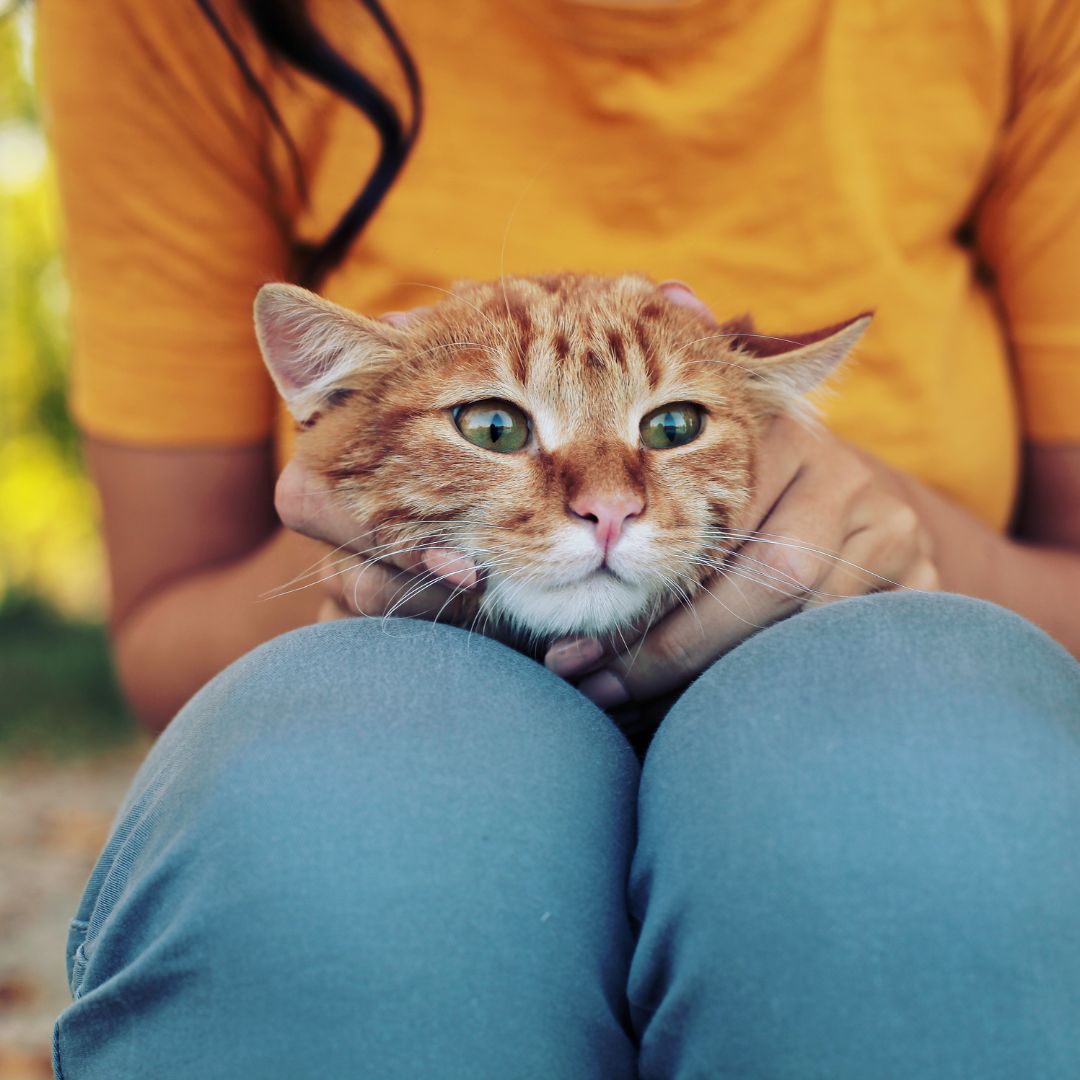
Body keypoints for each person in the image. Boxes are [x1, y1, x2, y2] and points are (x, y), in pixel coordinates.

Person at [40, 1, 1080, 1076]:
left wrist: (905, 553)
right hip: (398, 669)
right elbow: (165, 625)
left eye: (669, 429)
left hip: (867, 635)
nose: (603, 499)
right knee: (327, 823)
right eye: (498, 426)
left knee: (932, 788)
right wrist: (366, 569)